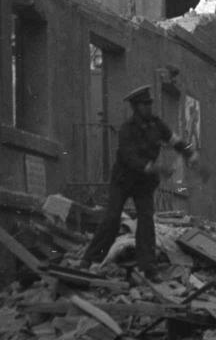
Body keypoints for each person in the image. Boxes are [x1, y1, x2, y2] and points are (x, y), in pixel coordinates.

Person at [79, 85, 199, 279]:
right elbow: (129, 157)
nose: (149, 107)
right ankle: (89, 259)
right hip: (124, 180)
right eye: (145, 104)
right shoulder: (126, 129)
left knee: (146, 220)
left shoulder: (157, 124)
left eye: (150, 103)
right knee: (112, 218)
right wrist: (153, 167)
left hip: (143, 184)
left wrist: (189, 152)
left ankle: (148, 267)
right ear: (136, 107)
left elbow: (175, 140)